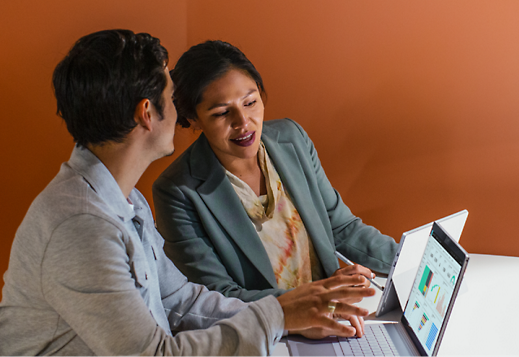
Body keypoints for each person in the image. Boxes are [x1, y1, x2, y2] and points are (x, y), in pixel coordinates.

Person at [0, 29, 374, 356]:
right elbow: (156, 354)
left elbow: (182, 302)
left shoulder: (123, 200)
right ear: (147, 113)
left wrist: (291, 313)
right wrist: (279, 315)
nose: (180, 111)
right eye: (172, 94)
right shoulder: (81, 228)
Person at [152, 40, 399, 302]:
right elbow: (218, 298)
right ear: (193, 119)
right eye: (223, 113)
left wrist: (409, 264)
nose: (243, 122)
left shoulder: (292, 139)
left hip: (331, 314)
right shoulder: (177, 191)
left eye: (250, 102)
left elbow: (341, 228)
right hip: (268, 333)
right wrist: (316, 299)